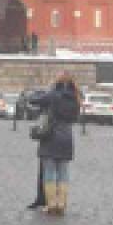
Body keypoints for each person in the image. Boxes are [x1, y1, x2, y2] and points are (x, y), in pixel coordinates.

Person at [32, 74, 81, 215]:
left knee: (49, 172)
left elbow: (34, 101)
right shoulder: (76, 99)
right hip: (67, 138)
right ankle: (62, 204)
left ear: (57, 83)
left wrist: (44, 92)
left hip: (51, 137)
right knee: (63, 173)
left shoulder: (53, 95)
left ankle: (52, 204)